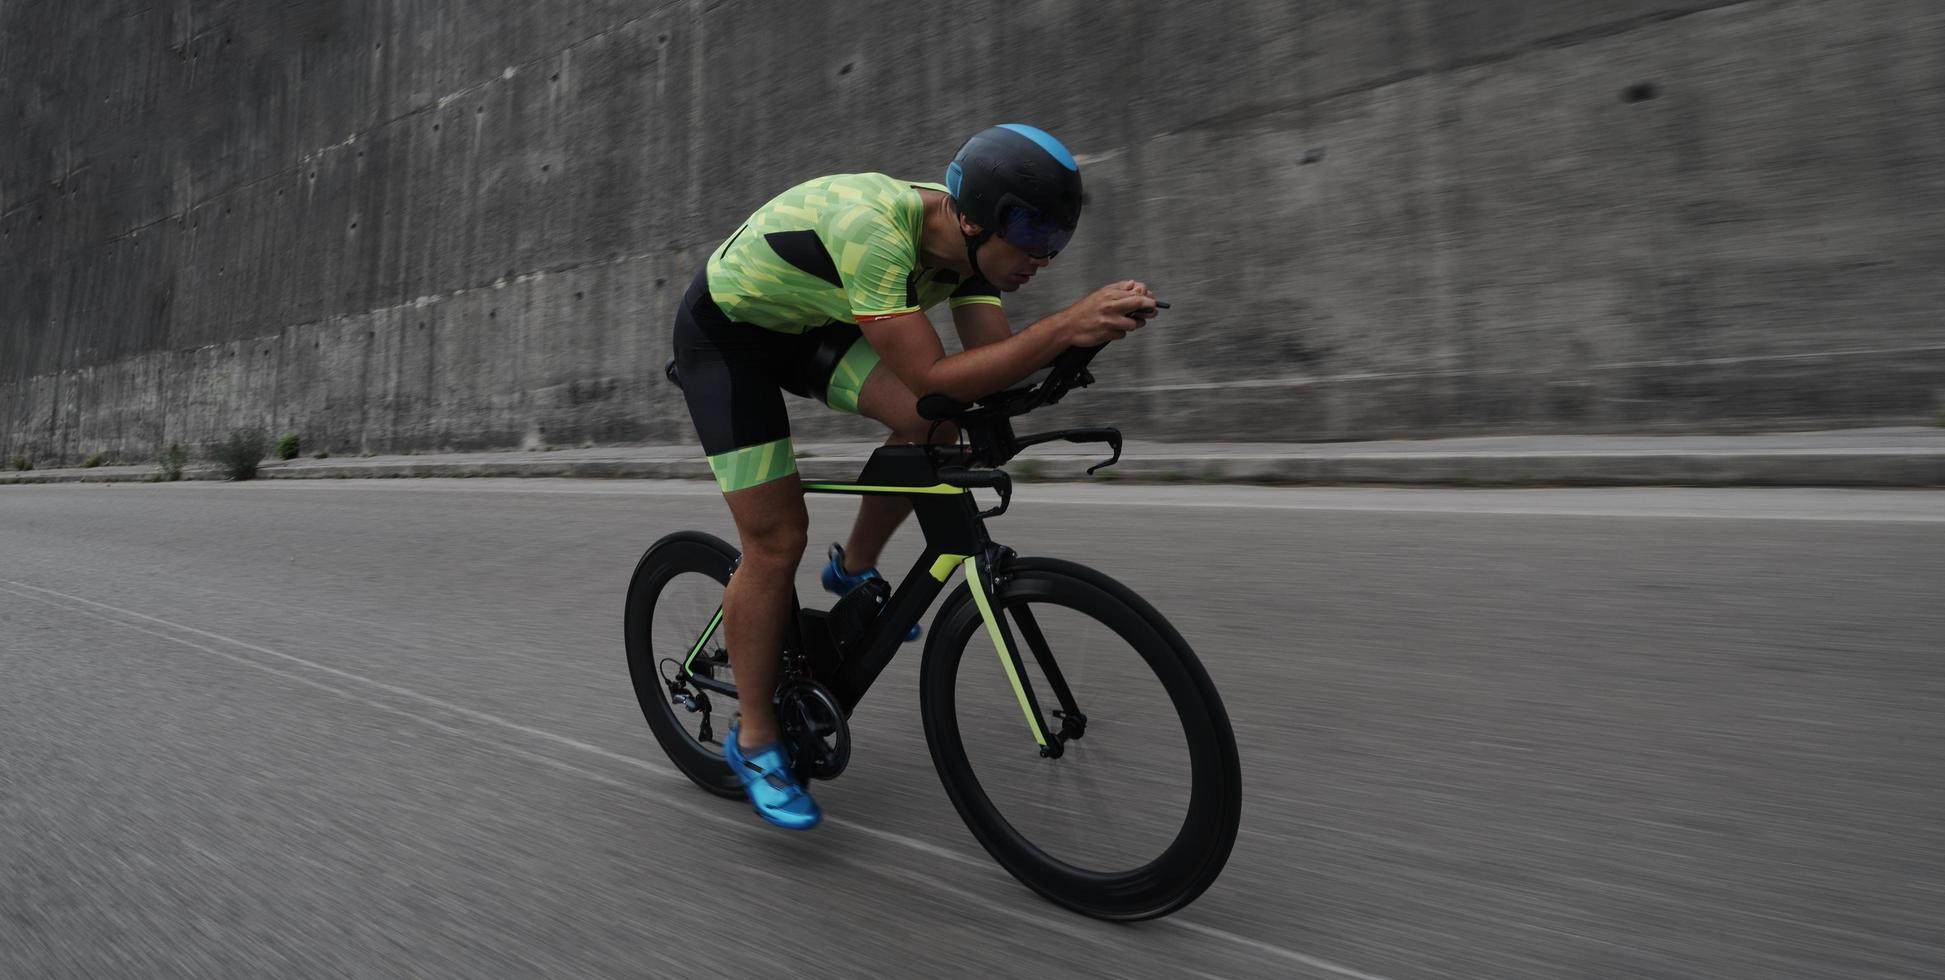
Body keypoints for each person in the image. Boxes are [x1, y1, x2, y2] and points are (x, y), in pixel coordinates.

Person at [670, 124, 1158, 829]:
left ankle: (854, 569)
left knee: (939, 424)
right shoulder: (876, 232)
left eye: (1054, 240)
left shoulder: (974, 252)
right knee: (776, 541)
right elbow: (932, 376)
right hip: (728, 340)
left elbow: (990, 369)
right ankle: (754, 740)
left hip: (811, 324)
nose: (1040, 258)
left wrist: (1082, 336)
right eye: (1029, 236)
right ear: (974, 217)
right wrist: (1060, 327)